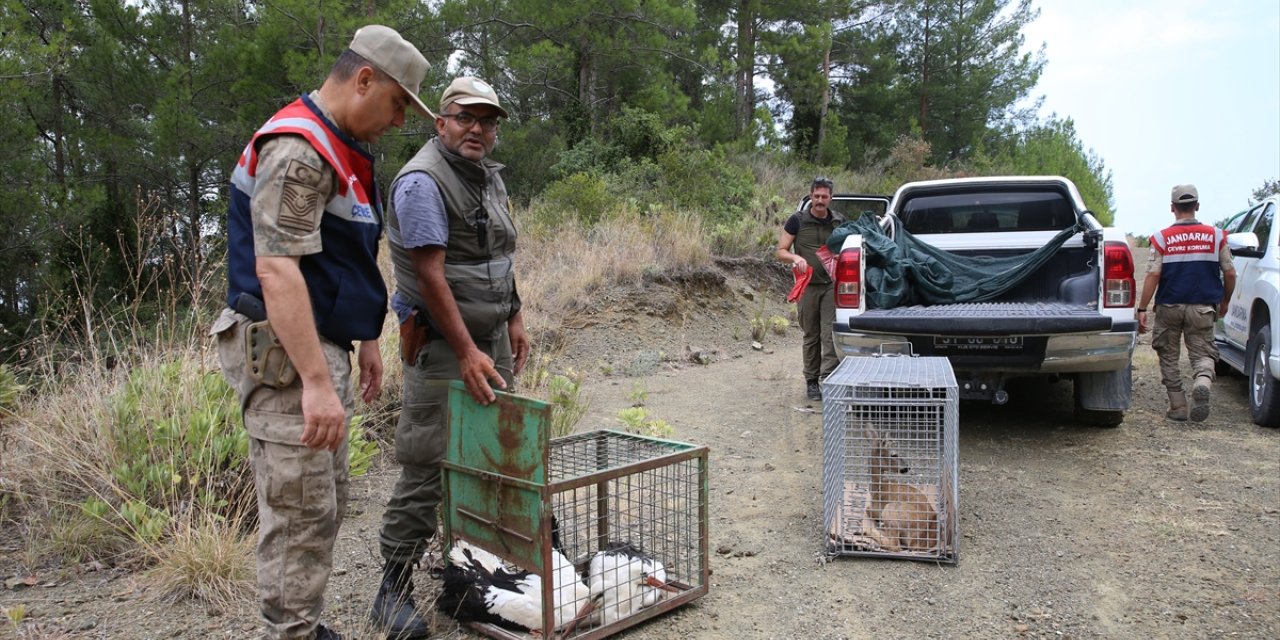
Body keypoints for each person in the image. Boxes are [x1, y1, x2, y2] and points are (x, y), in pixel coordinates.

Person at [209, 25, 432, 640]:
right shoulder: (302, 149)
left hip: (319, 348)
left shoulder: (343, 152)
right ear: (365, 79)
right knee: (300, 512)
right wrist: (313, 381)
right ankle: (290, 632)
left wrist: (365, 340)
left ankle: (303, 625)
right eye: (395, 105)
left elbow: (341, 259)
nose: (397, 122)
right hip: (287, 360)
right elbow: (276, 269)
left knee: (322, 501)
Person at [370, 76, 529, 637]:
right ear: (441, 122)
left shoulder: (486, 177)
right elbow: (430, 275)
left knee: (493, 451)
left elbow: (500, 254)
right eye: (466, 118)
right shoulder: (422, 182)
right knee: (427, 463)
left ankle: (475, 576)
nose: (478, 129)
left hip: (489, 340)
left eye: (488, 121)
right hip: (443, 346)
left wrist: (514, 315)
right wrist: (465, 351)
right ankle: (391, 589)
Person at [1136, 184, 1236, 422]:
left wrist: (1142, 308)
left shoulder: (1161, 238)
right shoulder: (1217, 236)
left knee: (1168, 355)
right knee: (1203, 353)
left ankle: (1178, 406)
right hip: (1203, 306)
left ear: (1172, 208)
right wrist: (1225, 300)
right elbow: (1230, 273)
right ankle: (1202, 381)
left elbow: (1153, 274)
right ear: (1197, 206)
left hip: (1169, 306)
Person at [777, 177, 844, 401]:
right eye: (816, 196)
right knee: (811, 335)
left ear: (831, 198)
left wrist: (839, 256)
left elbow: (849, 250)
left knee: (829, 335)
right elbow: (781, 251)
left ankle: (828, 380)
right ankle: (811, 382)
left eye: (824, 197)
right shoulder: (797, 220)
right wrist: (795, 257)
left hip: (831, 286)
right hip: (806, 286)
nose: (820, 200)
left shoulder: (838, 222)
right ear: (810, 195)